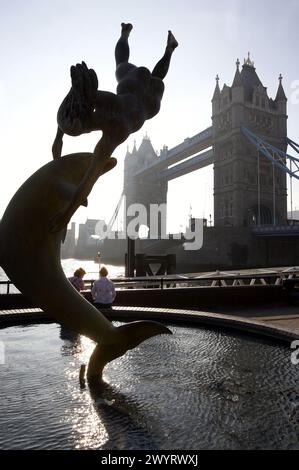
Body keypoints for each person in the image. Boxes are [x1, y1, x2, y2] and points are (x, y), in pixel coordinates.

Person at [50, 23, 178, 233]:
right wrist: (58, 137)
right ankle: (132, 36)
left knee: (152, 76)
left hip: (150, 98)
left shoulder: (114, 134)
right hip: (136, 86)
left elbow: (88, 182)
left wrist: (65, 216)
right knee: (122, 64)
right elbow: (77, 102)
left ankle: (167, 48)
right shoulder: (100, 101)